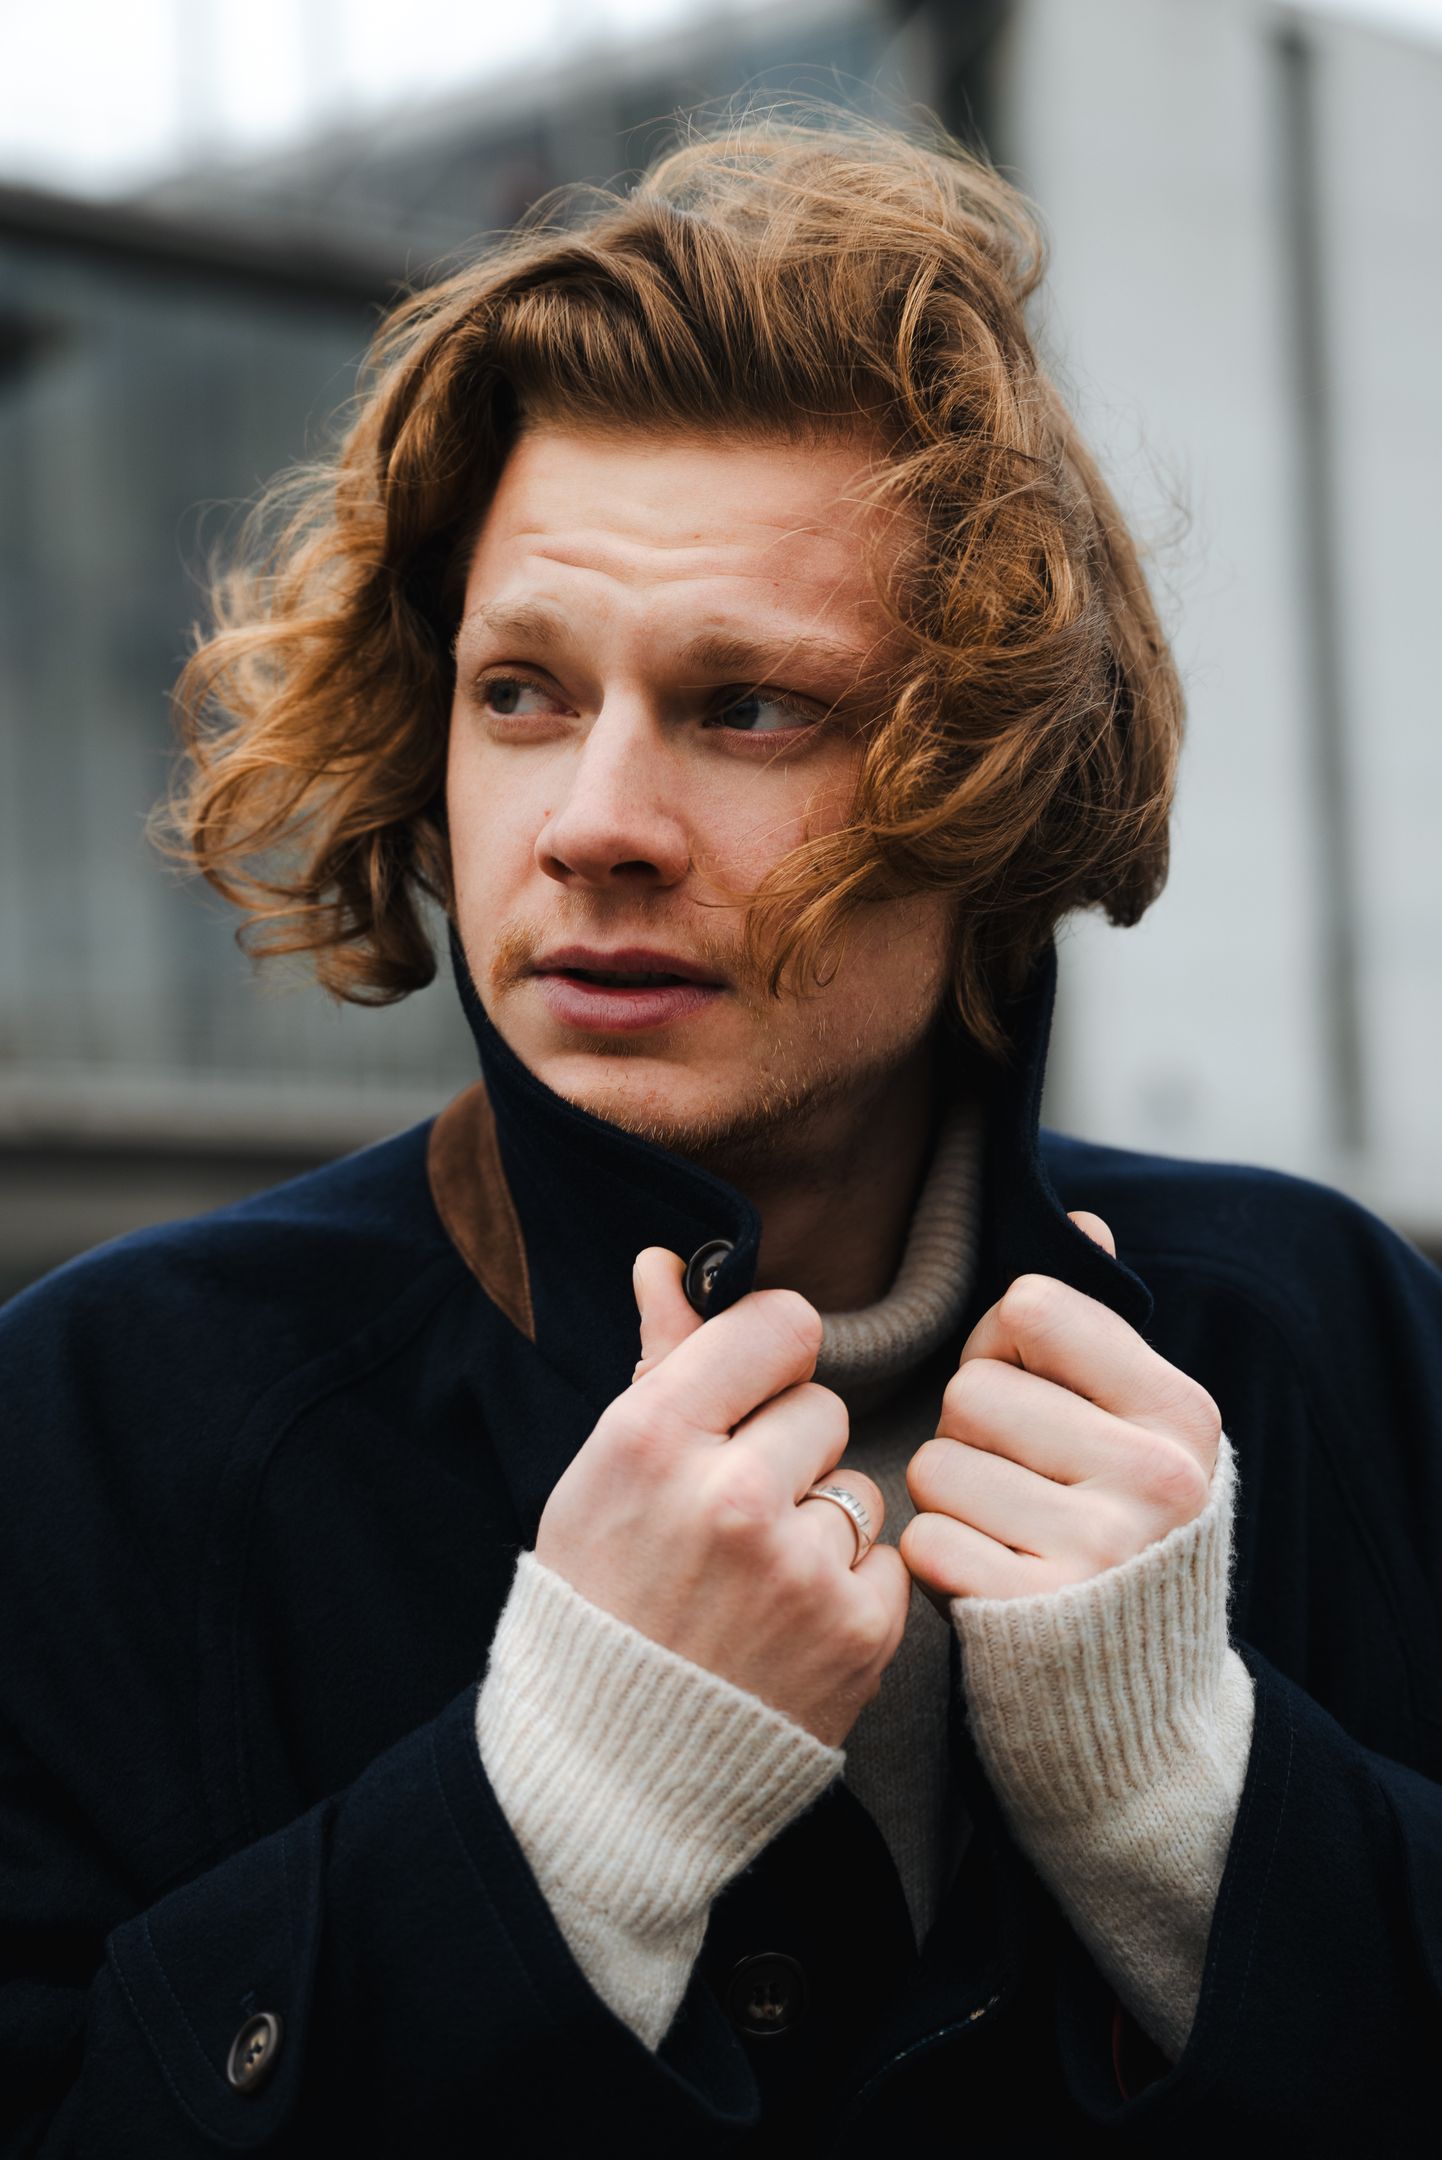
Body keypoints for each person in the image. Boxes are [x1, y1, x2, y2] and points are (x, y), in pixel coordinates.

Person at [3, 109, 1440, 2157]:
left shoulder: (1330, 1339)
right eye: (519, 692)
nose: (590, 822)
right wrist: (556, 1815)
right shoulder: (105, 1418)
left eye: (748, 705)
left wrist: (1194, 1810)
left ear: (997, 782)